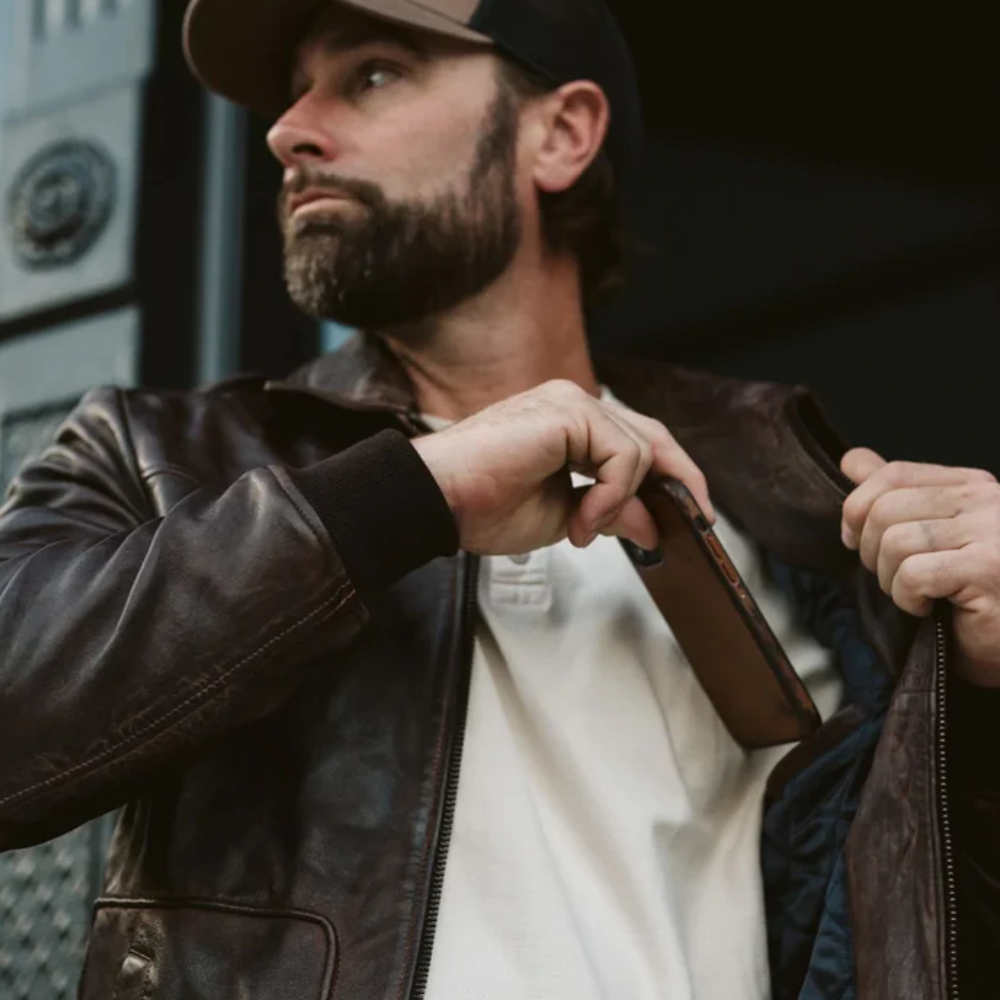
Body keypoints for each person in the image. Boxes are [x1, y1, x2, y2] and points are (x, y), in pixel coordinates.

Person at [0, 0, 998, 996]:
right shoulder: (158, 453)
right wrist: (404, 498)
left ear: (560, 134)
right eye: (295, 89)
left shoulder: (789, 519)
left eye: (373, 73)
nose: (287, 128)